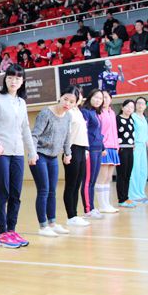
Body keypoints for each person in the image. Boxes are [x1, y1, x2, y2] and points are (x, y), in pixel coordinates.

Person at [0, 64, 37, 248]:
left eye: (17, 78)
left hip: (17, 153)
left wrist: (32, 151)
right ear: (5, 79)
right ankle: (2, 233)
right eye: (10, 77)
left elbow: (25, 129)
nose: (13, 81)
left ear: (22, 81)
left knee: (16, 193)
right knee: (3, 192)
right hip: (0, 153)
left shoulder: (21, 103)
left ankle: (12, 230)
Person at [29, 86, 74, 237]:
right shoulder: (46, 113)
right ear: (60, 97)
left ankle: (52, 223)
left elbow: (67, 137)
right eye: (65, 99)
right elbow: (35, 135)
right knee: (44, 190)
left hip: (53, 157)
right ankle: (43, 226)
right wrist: (32, 153)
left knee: (52, 191)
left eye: (71, 102)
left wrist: (68, 153)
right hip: (40, 155)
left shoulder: (68, 116)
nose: (67, 103)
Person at [62, 88, 91, 227]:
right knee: (71, 184)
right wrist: (67, 152)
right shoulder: (67, 112)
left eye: (79, 95)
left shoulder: (78, 111)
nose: (78, 98)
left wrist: (85, 149)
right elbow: (66, 134)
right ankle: (71, 216)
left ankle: (75, 215)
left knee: (77, 184)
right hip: (72, 149)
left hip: (81, 148)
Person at [80, 89, 105, 220]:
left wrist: (103, 147)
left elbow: (98, 132)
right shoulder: (85, 112)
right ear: (90, 97)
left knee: (93, 181)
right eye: (96, 97)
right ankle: (88, 209)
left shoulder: (95, 113)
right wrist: (86, 148)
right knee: (87, 181)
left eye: (100, 98)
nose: (98, 100)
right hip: (90, 150)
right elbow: (83, 131)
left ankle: (92, 207)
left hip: (98, 149)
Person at [94, 91, 120, 214]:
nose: (104, 99)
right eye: (101, 97)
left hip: (113, 147)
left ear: (110, 99)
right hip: (103, 147)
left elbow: (115, 130)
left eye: (106, 97)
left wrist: (117, 146)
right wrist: (101, 146)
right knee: (102, 177)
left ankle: (107, 203)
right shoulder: (97, 112)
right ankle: (102, 205)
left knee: (109, 177)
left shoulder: (112, 112)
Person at [129, 97, 148, 204]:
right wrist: (132, 143)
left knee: (143, 171)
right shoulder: (132, 116)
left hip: (143, 147)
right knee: (135, 171)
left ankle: (141, 194)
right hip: (135, 146)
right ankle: (134, 195)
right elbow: (130, 131)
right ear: (135, 105)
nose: (140, 105)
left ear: (145, 106)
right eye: (138, 103)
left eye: (143, 103)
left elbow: (145, 134)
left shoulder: (144, 118)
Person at [116, 100, 137, 208]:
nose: (129, 109)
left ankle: (126, 197)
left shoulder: (131, 120)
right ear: (122, 107)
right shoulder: (117, 119)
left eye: (132, 107)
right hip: (121, 149)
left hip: (130, 149)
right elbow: (114, 134)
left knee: (128, 175)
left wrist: (133, 144)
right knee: (122, 175)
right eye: (127, 106)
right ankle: (121, 199)